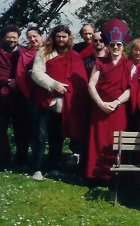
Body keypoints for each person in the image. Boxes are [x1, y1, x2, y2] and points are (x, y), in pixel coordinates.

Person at [31, 25, 90, 180]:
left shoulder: (74, 55)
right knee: (40, 135)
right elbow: (36, 73)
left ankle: (53, 167)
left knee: (57, 136)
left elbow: (80, 80)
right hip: (46, 99)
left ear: (69, 38)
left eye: (64, 37)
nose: (61, 39)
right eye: (59, 36)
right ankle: (37, 168)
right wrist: (53, 84)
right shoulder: (44, 52)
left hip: (64, 103)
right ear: (54, 37)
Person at [86, 18, 134, 181]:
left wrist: (116, 102)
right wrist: (100, 103)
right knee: (98, 141)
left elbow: (130, 89)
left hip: (118, 109)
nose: (115, 48)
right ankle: (96, 175)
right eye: (112, 45)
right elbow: (91, 84)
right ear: (108, 45)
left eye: (118, 45)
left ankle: (114, 176)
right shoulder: (100, 62)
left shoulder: (129, 65)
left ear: (123, 46)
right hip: (100, 108)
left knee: (116, 142)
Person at [0, 24, 31, 168]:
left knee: (21, 129)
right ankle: (4, 158)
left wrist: (17, 81)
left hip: (19, 96)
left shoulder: (24, 52)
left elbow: (28, 71)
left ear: (19, 38)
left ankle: (21, 159)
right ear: (4, 37)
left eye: (14, 37)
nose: (11, 40)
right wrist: (6, 80)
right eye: (9, 37)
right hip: (2, 95)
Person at [16, 27, 44, 172]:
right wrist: (27, 96)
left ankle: (52, 161)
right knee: (35, 131)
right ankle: (35, 163)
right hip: (32, 97)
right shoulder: (25, 55)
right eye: (30, 37)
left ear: (41, 36)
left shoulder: (48, 51)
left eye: (35, 36)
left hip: (48, 96)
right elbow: (20, 77)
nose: (33, 40)